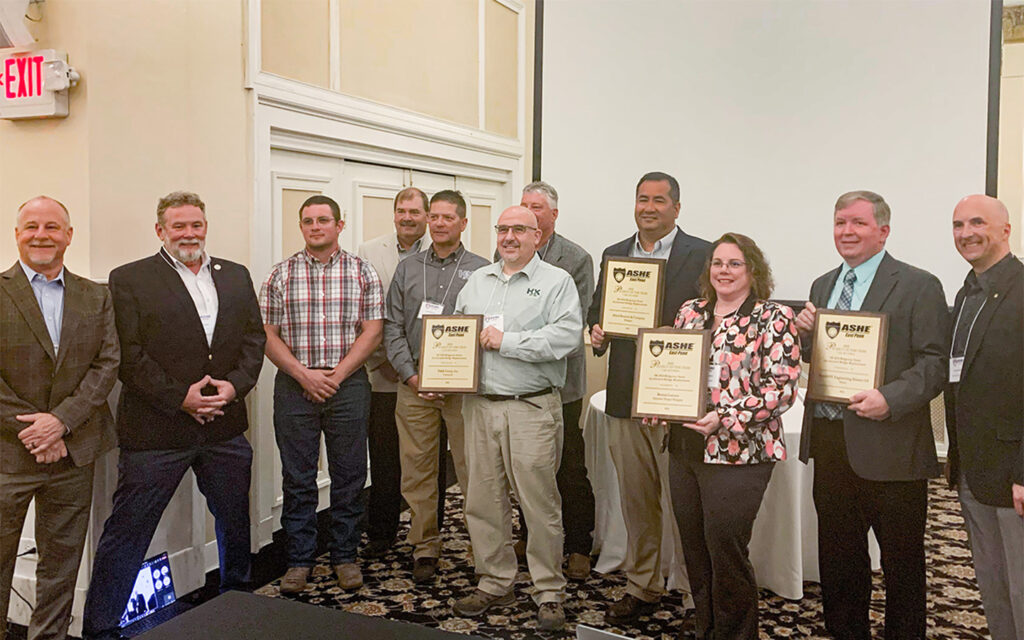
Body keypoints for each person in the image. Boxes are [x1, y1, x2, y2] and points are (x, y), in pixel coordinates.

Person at [82, 191, 266, 640]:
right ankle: (100, 627)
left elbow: (253, 341)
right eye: (179, 226)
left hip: (223, 424)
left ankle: (235, 599)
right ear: (160, 230)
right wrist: (180, 398)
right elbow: (129, 355)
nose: (189, 233)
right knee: (128, 529)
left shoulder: (236, 275)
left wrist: (233, 387)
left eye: (196, 225)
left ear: (206, 227)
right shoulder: (130, 279)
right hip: (156, 429)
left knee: (234, 519)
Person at [795, 190, 949, 640]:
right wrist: (806, 338)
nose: (847, 231)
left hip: (891, 446)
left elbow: (934, 363)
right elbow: (823, 360)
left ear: (883, 231)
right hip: (831, 441)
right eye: (840, 222)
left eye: (858, 223)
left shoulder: (919, 284)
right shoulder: (823, 285)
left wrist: (890, 398)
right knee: (839, 563)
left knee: (902, 566)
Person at [653, 233, 800, 640]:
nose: (724, 271)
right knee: (695, 550)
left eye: (735, 263)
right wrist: (657, 403)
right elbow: (672, 375)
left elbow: (781, 389)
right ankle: (707, 629)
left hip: (740, 453)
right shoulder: (690, 313)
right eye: (718, 263)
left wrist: (726, 416)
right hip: (685, 448)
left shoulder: (774, 317)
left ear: (753, 270)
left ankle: (736, 635)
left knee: (726, 550)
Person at [451, 206, 583, 631]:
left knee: (539, 503)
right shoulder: (477, 281)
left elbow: (565, 337)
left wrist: (509, 343)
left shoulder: (556, 282)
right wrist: (444, 365)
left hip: (531, 406)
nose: (509, 237)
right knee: (482, 500)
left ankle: (548, 591)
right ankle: (495, 581)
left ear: (538, 236)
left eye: (519, 230)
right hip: (480, 406)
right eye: (503, 229)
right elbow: (455, 332)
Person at [587, 172, 710, 622]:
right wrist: (597, 331)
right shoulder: (615, 254)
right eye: (642, 199)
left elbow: (717, 315)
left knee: (685, 505)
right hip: (625, 397)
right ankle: (643, 586)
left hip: (678, 399)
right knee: (637, 501)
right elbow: (599, 310)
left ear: (677, 208)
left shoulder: (704, 253)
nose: (649, 207)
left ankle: (697, 594)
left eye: (660, 200)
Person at [0, 197, 119, 640]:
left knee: (61, 567)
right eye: (31, 226)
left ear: (69, 235)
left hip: (72, 452)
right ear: (16, 234)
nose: (41, 234)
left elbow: (107, 364)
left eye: (52, 227)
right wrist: (36, 429)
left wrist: (61, 423)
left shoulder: (96, 295)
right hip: (7, 454)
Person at [259, 195, 384, 593]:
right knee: (298, 477)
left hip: (348, 387)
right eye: (308, 221)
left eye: (323, 220)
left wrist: (336, 375)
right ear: (302, 227)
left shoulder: (362, 272)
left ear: (339, 225)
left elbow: (373, 329)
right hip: (295, 388)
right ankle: (299, 559)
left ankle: (345, 555)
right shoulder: (280, 275)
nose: (316, 227)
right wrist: (304, 375)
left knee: (349, 474)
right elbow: (266, 333)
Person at [383, 189, 489, 582]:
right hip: (413, 388)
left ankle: (482, 548)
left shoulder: (483, 270)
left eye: (449, 217)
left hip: (465, 394)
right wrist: (410, 374)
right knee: (417, 470)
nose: (440, 224)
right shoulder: (408, 268)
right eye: (436, 217)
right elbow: (392, 325)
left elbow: (490, 327)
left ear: (463, 223)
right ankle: (424, 545)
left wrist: (459, 377)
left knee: (474, 469)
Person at [506, 181, 596, 581]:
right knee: (527, 466)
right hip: (519, 381)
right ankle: (530, 535)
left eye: (538, 207)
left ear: (554, 216)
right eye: (525, 205)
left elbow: (567, 326)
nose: (531, 213)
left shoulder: (575, 258)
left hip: (562, 383)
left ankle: (578, 543)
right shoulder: (506, 252)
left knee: (568, 466)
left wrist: (519, 336)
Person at [945, 194, 1023, 640]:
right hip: (974, 469)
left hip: (1014, 472)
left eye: (978, 222)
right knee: (993, 587)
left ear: (1006, 230)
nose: (966, 233)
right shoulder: (967, 291)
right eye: (957, 225)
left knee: (1021, 588)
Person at [357, 186, 429, 558]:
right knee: (384, 458)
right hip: (382, 374)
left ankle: (424, 537)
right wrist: (388, 360)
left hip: (430, 378)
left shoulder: (440, 254)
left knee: (424, 462)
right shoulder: (368, 252)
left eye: (414, 211)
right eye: (401, 210)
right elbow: (362, 311)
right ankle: (382, 534)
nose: (406, 217)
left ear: (427, 216)